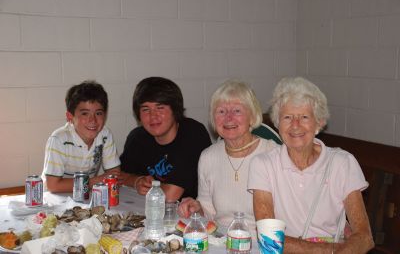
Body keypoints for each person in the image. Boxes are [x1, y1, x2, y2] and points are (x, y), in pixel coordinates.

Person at [248, 77, 374, 253]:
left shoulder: (342, 163)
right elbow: (269, 240)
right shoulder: (263, 165)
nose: (295, 125)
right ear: (278, 123)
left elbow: (365, 237)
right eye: (287, 117)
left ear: (319, 123)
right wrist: (328, 250)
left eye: (304, 117)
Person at [178, 80, 278, 235]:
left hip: (263, 243)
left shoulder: (273, 153)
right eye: (221, 111)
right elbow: (208, 210)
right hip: (220, 241)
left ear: (252, 116)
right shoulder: (208, 157)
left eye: (237, 111)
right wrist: (197, 207)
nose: (228, 118)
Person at [119, 77, 211, 202]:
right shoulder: (137, 137)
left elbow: (170, 195)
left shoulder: (193, 133)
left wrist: (147, 187)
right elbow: (117, 176)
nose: (153, 116)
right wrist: (137, 181)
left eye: (160, 108)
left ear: (175, 110)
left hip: (191, 215)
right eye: (146, 109)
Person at [42, 80, 121, 193]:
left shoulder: (105, 135)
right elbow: (53, 186)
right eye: (85, 113)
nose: (92, 120)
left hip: (86, 195)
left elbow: (115, 174)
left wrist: (104, 179)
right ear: (70, 117)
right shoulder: (59, 139)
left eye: (98, 113)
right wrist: (97, 180)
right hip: (56, 199)